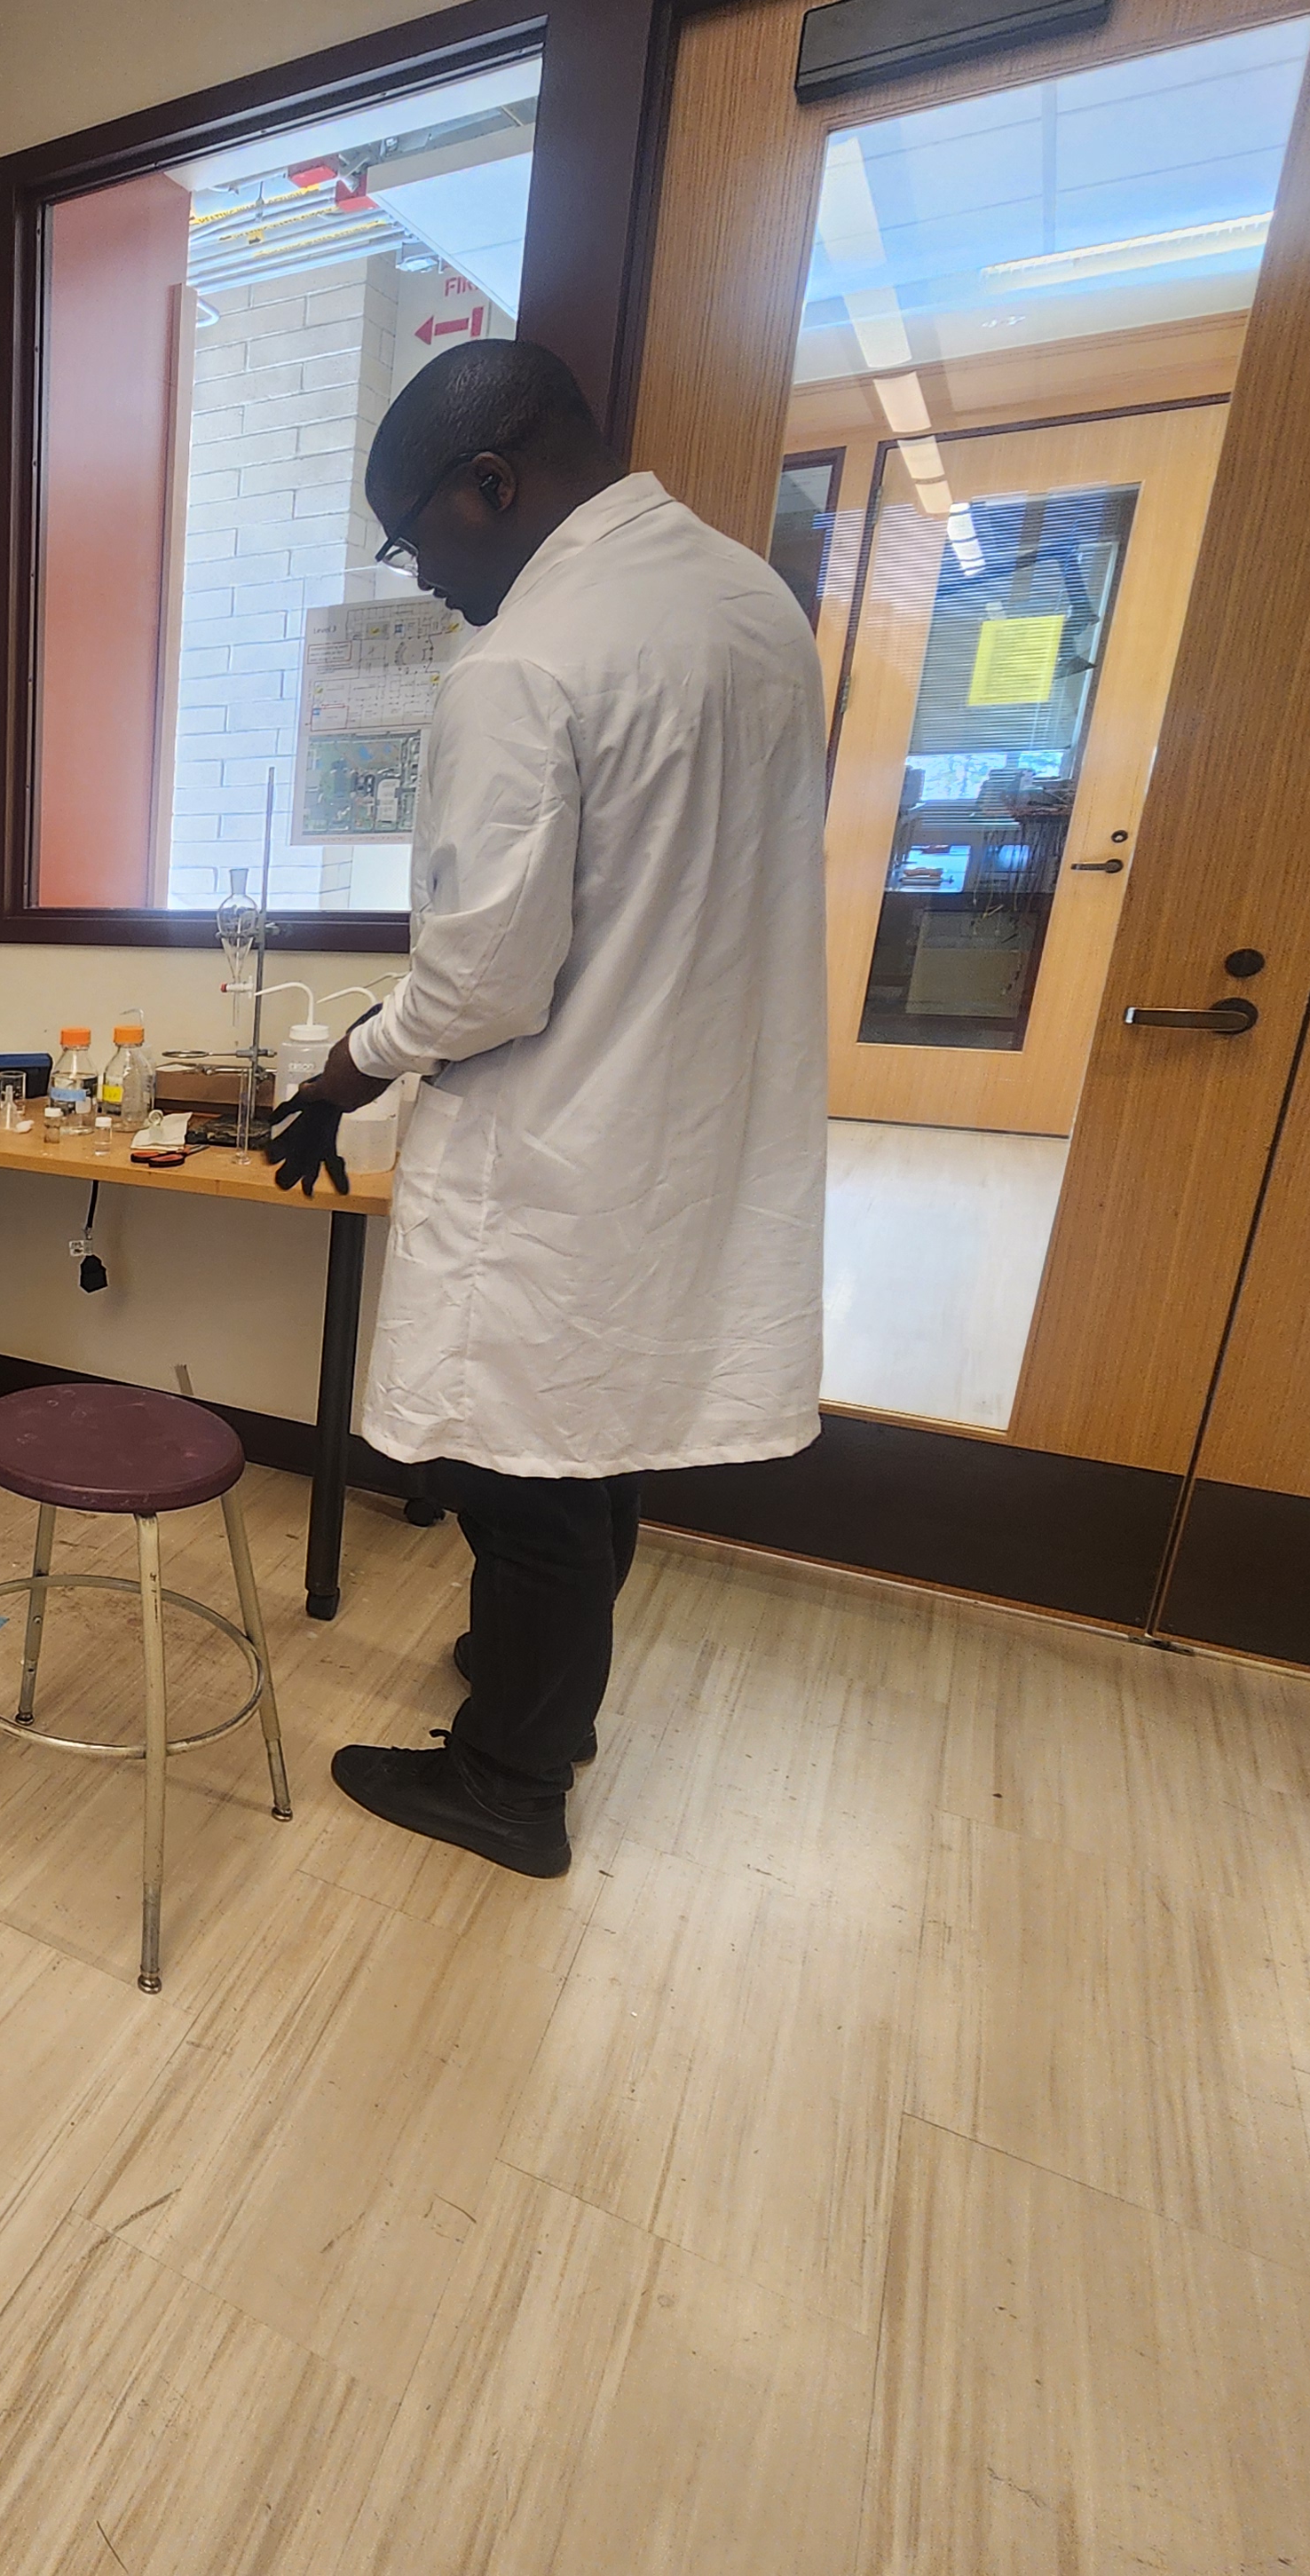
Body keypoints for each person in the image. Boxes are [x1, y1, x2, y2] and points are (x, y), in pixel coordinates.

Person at [263, 340, 827, 1879]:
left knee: (524, 1469)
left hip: (562, 1130)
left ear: (489, 485)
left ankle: (513, 1779)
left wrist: (345, 1065)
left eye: (415, 536)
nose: (425, 576)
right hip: (682, 1122)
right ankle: (535, 1697)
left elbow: (481, 979)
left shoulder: (527, 660)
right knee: (590, 1440)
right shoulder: (747, 602)